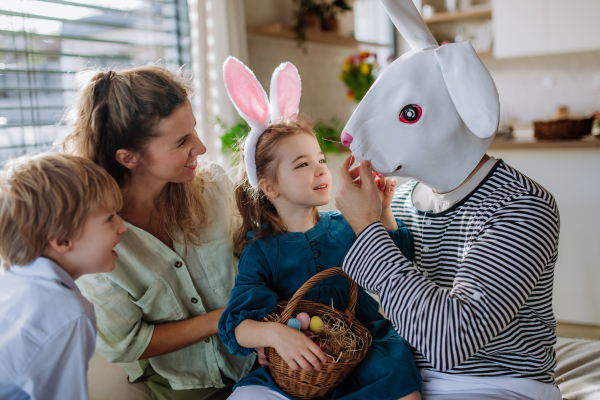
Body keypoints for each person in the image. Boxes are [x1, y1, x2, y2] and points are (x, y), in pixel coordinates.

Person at [62, 66, 254, 400]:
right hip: (187, 382)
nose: (202, 148)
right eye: (182, 142)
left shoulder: (211, 187)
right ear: (128, 157)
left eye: (193, 129)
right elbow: (129, 342)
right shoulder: (93, 241)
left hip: (257, 355)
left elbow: (253, 253)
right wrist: (224, 320)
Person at [217, 115, 422, 400]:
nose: (320, 170)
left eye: (321, 161)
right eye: (303, 164)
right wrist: (276, 335)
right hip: (301, 364)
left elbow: (397, 263)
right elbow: (238, 326)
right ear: (270, 187)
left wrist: (382, 211)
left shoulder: (348, 223)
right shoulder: (261, 252)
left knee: (404, 388)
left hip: (365, 349)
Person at [335, 156, 562, 400]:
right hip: (401, 377)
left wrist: (368, 228)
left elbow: (450, 342)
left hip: (492, 384)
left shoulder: (521, 205)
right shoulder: (394, 201)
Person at [0, 153, 126, 400]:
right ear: (62, 241)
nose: (123, 226)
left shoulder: (11, 282)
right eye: (110, 218)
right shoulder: (69, 314)